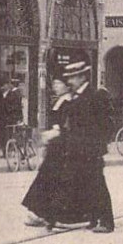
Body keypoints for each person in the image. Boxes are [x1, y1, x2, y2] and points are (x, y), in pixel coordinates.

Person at [62, 60, 115, 233]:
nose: (70, 81)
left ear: (82, 77)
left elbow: (105, 123)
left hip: (91, 148)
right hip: (79, 148)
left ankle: (107, 222)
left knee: (97, 184)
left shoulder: (94, 95)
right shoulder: (76, 96)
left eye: (72, 78)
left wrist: (98, 144)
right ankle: (93, 218)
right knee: (87, 184)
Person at [21, 78, 81, 229]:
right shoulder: (59, 100)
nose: (55, 86)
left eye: (58, 83)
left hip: (62, 147)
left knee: (53, 180)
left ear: (67, 86)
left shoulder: (70, 102)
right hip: (55, 146)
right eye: (54, 83)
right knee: (46, 179)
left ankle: (52, 215)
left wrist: (54, 133)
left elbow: (67, 126)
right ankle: (40, 213)